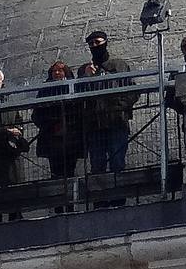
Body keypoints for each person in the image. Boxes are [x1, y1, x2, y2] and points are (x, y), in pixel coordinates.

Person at [77, 30, 135, 174]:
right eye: (91, 43)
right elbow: (78, 95)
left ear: (105, 42)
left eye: (98, 42)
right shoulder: (84, 70)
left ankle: (118, 197)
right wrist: (86, 77)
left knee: (118, 163)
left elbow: (132, 91)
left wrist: (119, 107)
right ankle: (100, 196)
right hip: (94, 125)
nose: (94, 45)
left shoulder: (119, 65)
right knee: (97, 166)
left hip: (116, 122)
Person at [32, 61, 82, 179]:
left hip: (71, 137)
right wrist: (50, 124)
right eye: (54, 71)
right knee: (56, 171)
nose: (57, 73)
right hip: (52, 138)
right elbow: (36, 114)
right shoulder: (45, 91)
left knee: (70, 170)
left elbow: (79, 110)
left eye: (60, 70)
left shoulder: (73, 88)